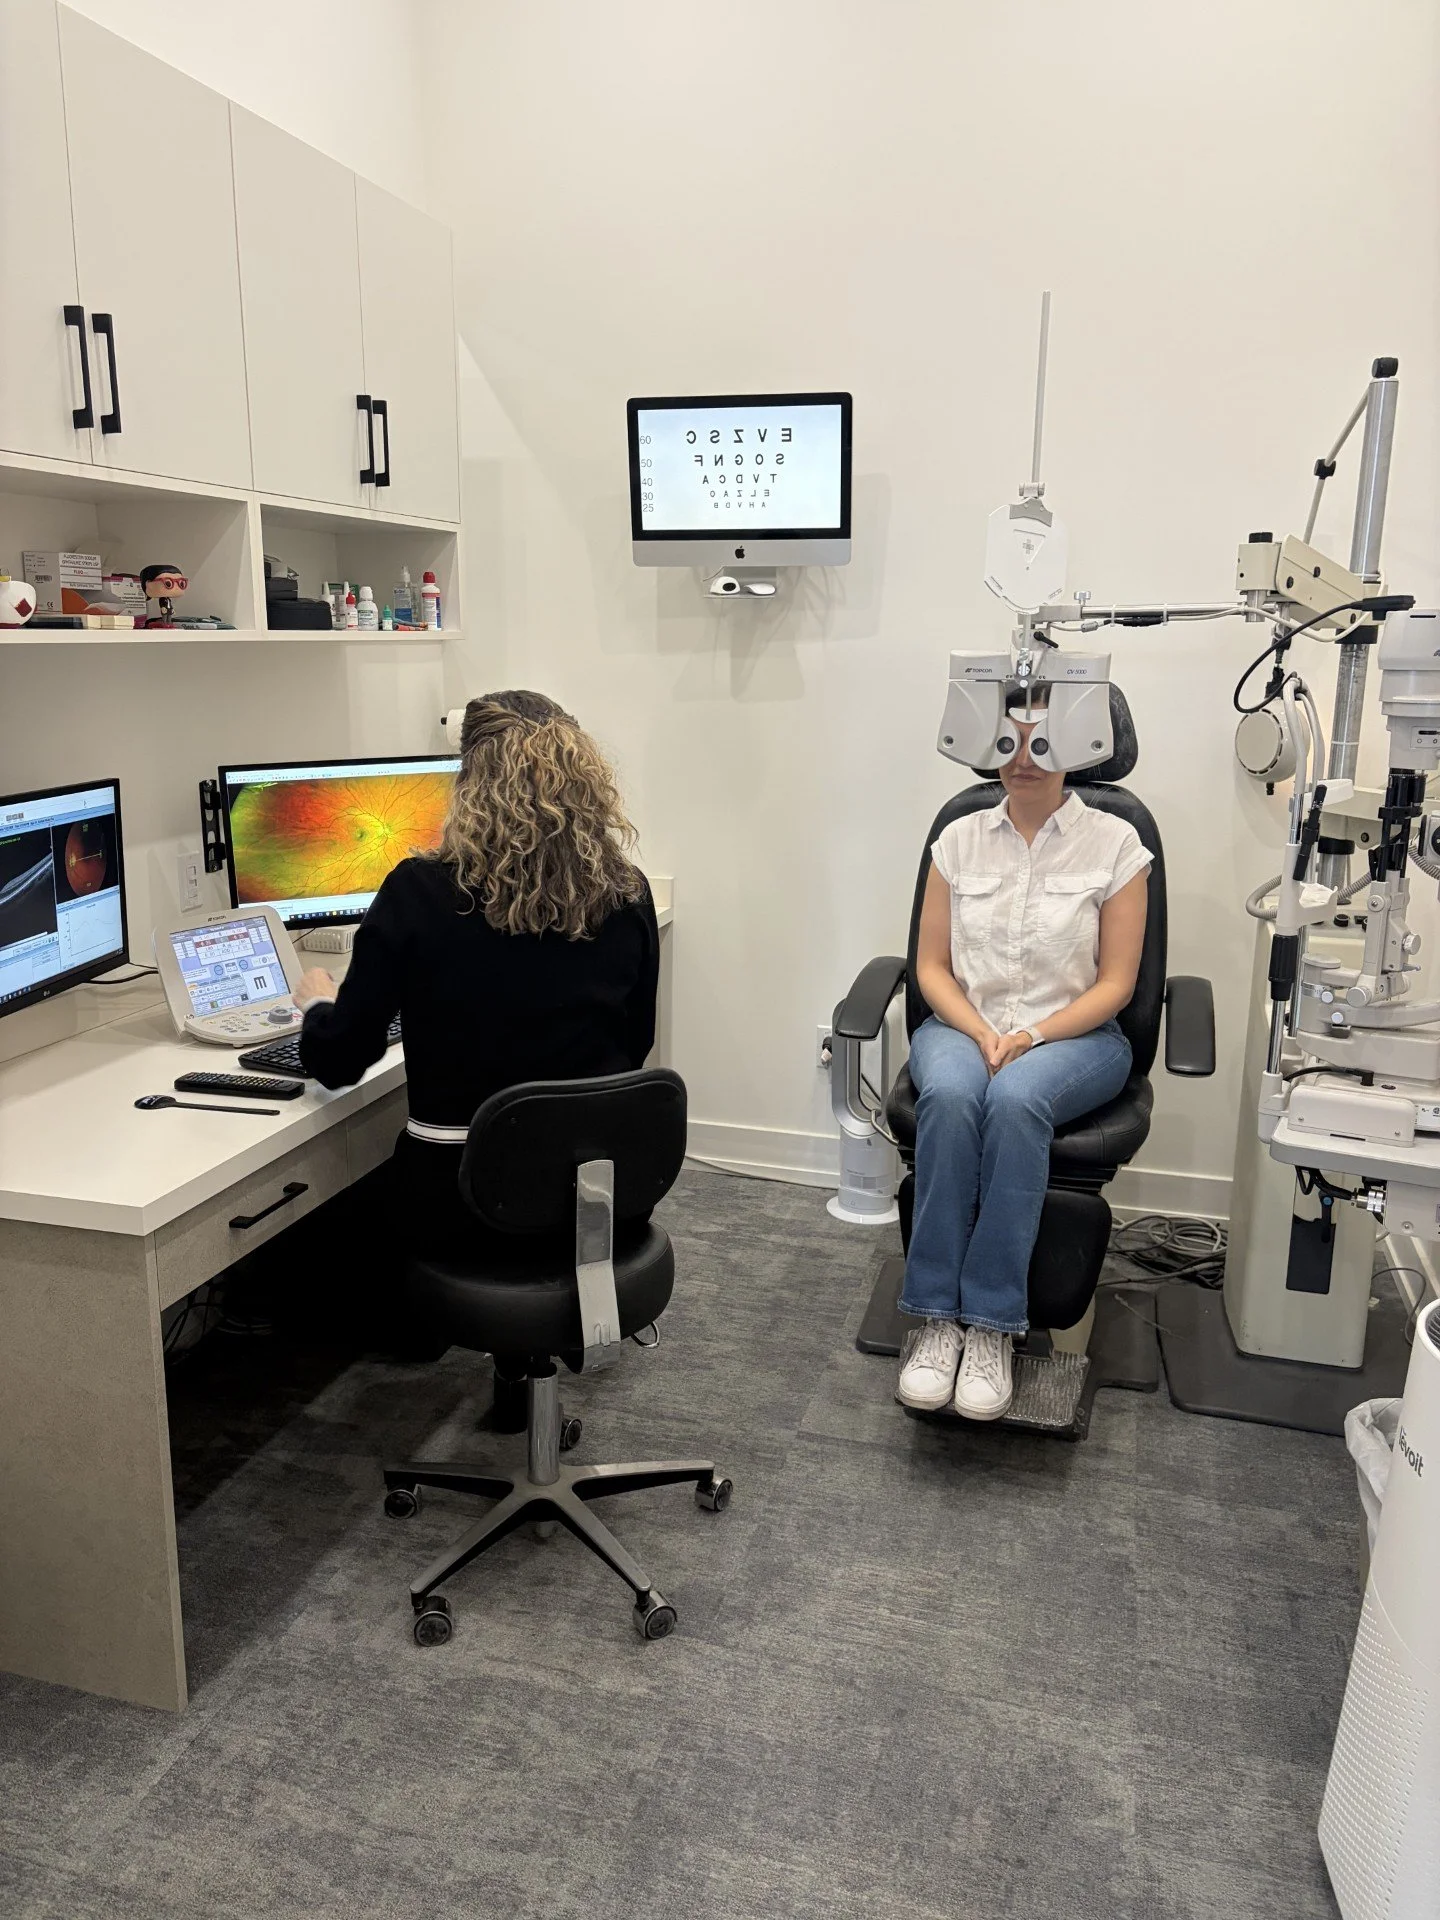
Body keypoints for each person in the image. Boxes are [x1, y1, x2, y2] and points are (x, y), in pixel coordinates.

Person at [293, 691, 659, 1263]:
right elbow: (635, 1043)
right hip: (596, 1192)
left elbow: (339, 1063)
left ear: (468, 784)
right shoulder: (626, 892)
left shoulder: (418, 892)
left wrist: (319, 1007)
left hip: (455, 1203)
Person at [896, 683, 1151, 1421]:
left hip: (1078, 1038)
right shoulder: (957, 840)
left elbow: (1117, 985)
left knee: (1014, 1099)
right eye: (1008, 741)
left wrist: (1031, 1037)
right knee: (949, 1095)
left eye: (1042, 742)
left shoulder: (1118, 846)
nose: (1023, 759)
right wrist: (979, 1032)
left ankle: (995, 1327)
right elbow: (932, 968)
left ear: (1075, 747)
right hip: (962, 1027)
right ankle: (939, 1320)